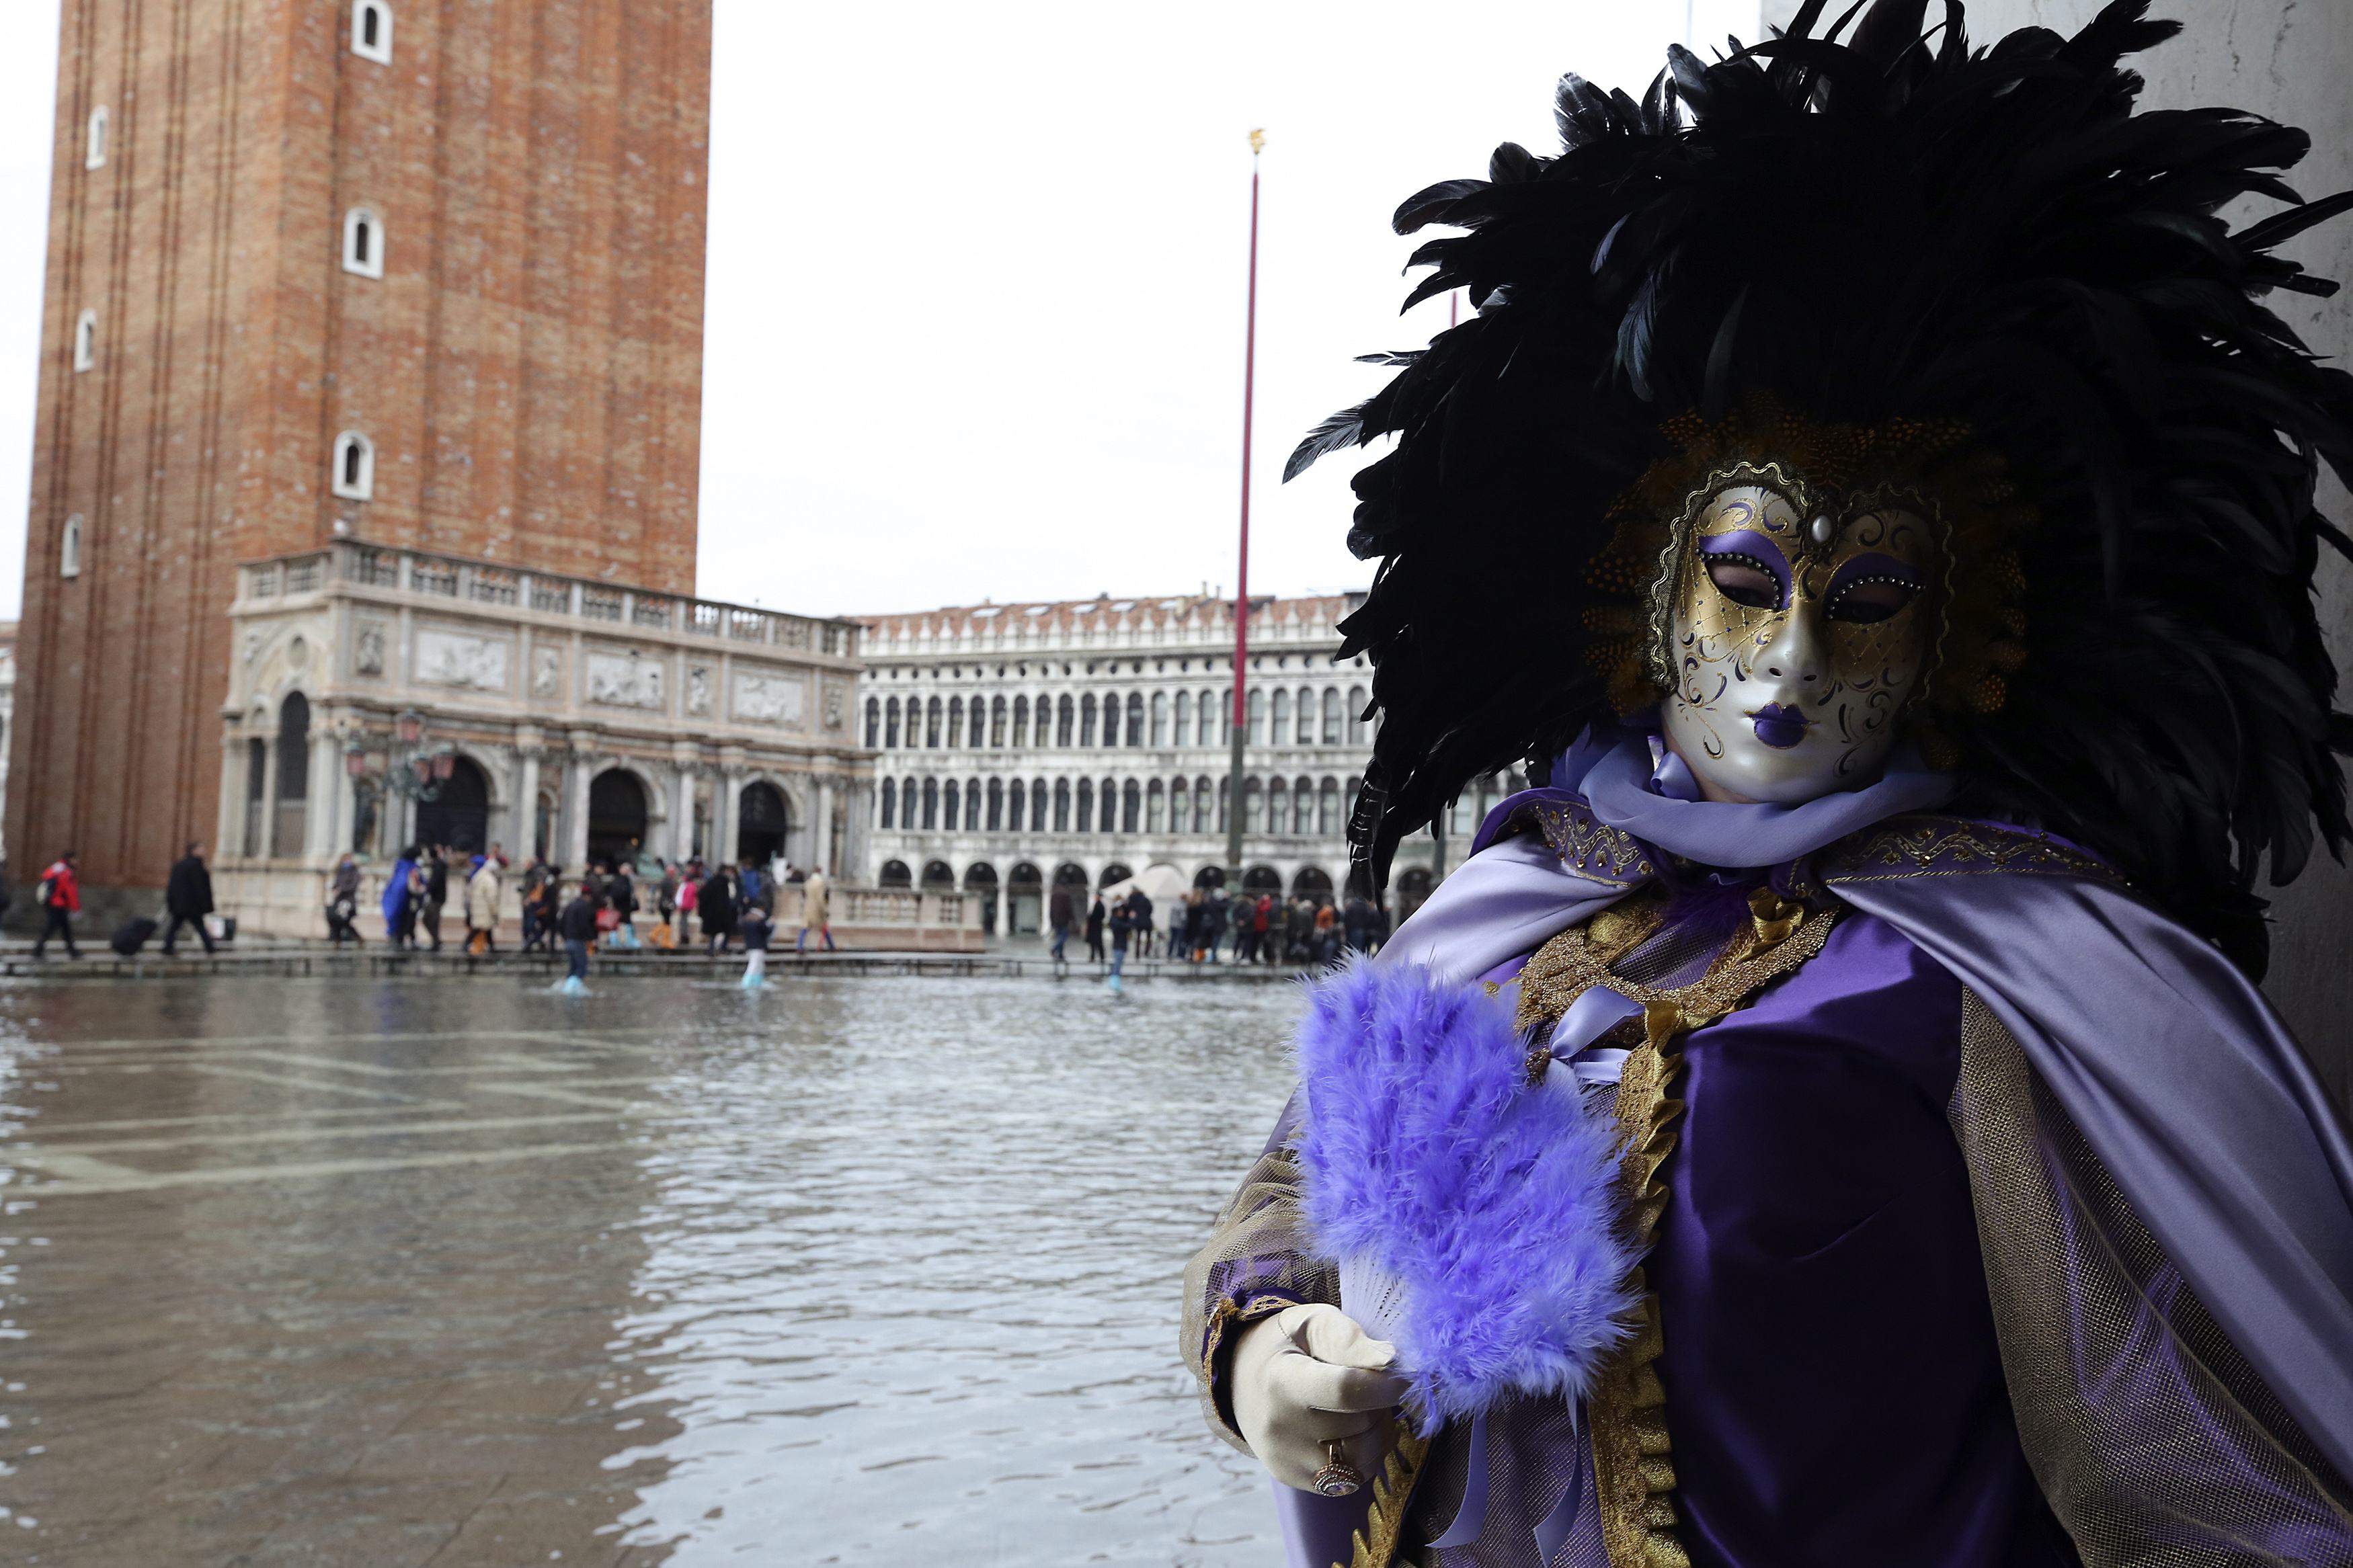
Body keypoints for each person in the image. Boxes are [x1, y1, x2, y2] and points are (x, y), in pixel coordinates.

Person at [1186, 12, 2353, 1563]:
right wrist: (1266, 1346)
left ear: (1958, 641)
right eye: (1746, 579)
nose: (1792, 655)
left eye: (1866, 599)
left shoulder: (2004, 983)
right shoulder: (1519, 907)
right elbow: (1297, 1179)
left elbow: (2185, 1463)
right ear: (1648, 597)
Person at [160, 841, 216, 956]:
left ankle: (167, 948)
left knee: (175, 927)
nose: (203, 851)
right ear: (194, 850)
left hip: (181, 905)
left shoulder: (180, 865)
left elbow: (172, 886)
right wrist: (204, 904)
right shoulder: (196, 866)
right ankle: (210, 948)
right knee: (199, 926)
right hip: (192, 905)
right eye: (201, 848)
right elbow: (200, 888)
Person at [31, 850, 79, 959]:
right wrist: (76, 908)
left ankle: (72, 951)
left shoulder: (57, 868)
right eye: (75, 859)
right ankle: (38, 950)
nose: (77, 862)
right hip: (58, 904)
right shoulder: (66, 871)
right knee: (51, 928)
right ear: (70, 859)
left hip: (52, 902)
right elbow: (69, 891)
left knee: (65, 928)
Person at [555, 880, 597, 993]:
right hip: (578, 941)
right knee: (581, 967)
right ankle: (570, 989)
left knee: (573, 967)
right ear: (588, 896)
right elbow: (584, 925)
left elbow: (560, 922)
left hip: (568, 941)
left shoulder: (570, 906)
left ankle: (567, 985)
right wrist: (591, 939)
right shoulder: (583, 907)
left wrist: (565, 937)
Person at [465, 852, 502, 954]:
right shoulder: (490, 880)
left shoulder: (478, 876)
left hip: (477, 908)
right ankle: (466, 944)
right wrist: (495, 911)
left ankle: (491, 947)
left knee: (486, 928)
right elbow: (492, 897)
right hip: (485, 909)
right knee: (480, 928)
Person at [383, 845, 417, 948]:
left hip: (394, 902)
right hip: (404, 902)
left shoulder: (399, 867)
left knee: (396, 927)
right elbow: (414, 887)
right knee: (403, 926)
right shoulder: (411, 869)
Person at [797, 866, 836, 953]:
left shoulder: (808, 883)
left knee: (805, 928)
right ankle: (832, 946)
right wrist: (825, 911)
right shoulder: (820, 884)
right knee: (824, 928)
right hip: (817, 910)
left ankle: (800, 946)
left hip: (808, 908)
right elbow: (820, 899)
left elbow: (804, 895)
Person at [326, 853, 364, 946]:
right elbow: (336, 883)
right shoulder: (340, 871)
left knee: (344, 920)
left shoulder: (354, 872)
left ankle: (356, 938)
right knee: (337, 920)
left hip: (348, 900)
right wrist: (334, 888)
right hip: (339, 900)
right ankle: (337, 941)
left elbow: (353, 886)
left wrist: (341, 890)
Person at [700, 862, 737, 955]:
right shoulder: (726, 883)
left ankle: (712, 949)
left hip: (713, 912)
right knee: (727, 930)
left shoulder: (712, 882)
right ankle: (723, 947)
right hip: (724, 911)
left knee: (714, 932)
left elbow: (702, 895)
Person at [419, 846, 447, 951]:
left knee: (430, 920)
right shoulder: (438, 865)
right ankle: (436, 940)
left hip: (436, 898)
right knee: (431, 920)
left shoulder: (437, 866)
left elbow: (434, 882)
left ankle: (436, 941)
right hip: (438, 897)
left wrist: (427, 889)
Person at [518, 857, 550, 952]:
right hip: (527, 904)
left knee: (530, 925)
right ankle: (533, 942)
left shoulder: (535, 875)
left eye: (526, 864)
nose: (524, 866)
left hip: (532, 904)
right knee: (527, 925)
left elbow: (538, 889)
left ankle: (532, 942)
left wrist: (529, 899)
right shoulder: (528, 875)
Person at [1105, 893, 1135, 993]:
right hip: (1119, 946)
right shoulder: (1116, 922)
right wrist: (1132, 918)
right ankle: (1114, 984)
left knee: (1118, 965)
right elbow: (1127, 926)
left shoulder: (1115, 920)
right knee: (1117, 966)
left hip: (1119, 946)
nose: (1122, 912)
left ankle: (1114, 983)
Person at [739, 900, 772, 988]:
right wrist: (772, 925)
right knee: (753, 966)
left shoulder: (747, 919)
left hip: (750, 946)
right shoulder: (760, 920)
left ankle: (757, 983)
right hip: (758, 946)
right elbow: (767, 931)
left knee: (759, 966)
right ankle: (745, 984)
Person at [1048, 880, 1074, 962]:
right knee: (1063, 936)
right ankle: (1054, 948)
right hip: (1064, 920)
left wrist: (1051, 920)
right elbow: (1069, 908)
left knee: (1059, 936)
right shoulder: (1066, 895)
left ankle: (1060, 955)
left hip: (1056, 920)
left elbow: (1051, 909)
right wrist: (1072, 919)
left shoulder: (1054, 894)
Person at [1083, 893, 1106, 963]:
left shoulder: (1099, 905)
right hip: (1096, 926)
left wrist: (1090, 918)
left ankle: (1097, 957)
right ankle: (1096, 957)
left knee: (1096, 943)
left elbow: (1095, 916)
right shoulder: (1099, 905)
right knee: (1095, 943)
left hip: (1095, 927)